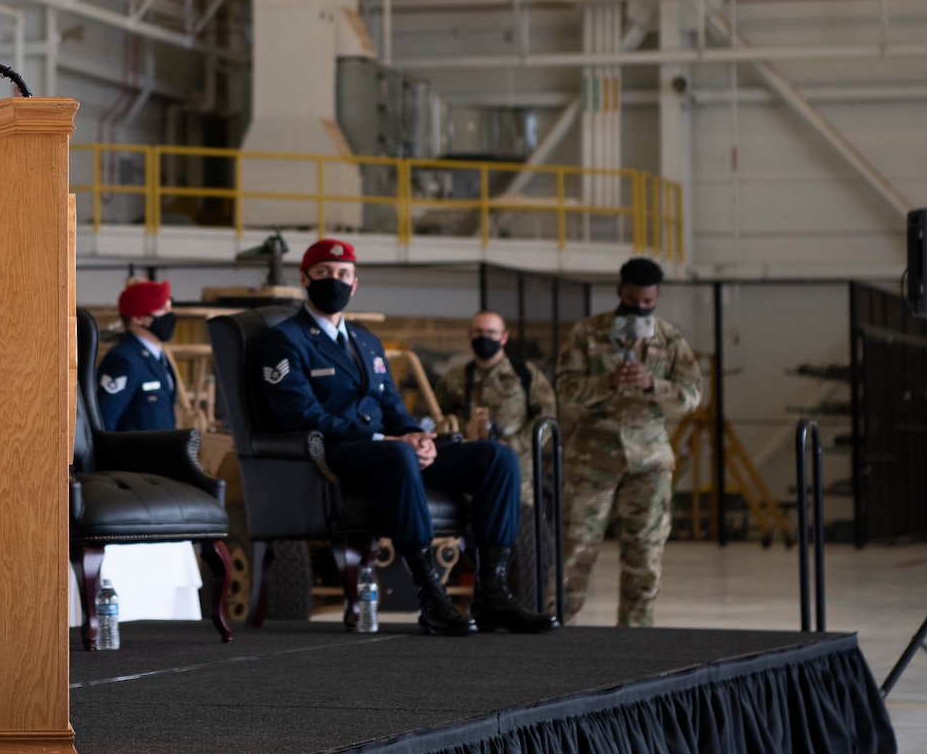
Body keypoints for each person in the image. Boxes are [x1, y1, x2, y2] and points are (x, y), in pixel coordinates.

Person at [255, 239, 554, 636]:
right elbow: (302, 415)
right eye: (325, 273)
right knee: (400, 457)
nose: (335, 281)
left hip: (389, 449)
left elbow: (393, 407)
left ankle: (492, 594)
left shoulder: (367, 342)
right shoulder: (284, 340)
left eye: (343, 275)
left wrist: (416, 434)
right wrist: (387, 440)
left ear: (355, 283)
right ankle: (431, 598)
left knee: (497, 458)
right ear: (305, 278)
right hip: (336, 453)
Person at [555, 256, 704, 628]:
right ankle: (555, 639)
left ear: (657, 298)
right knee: (574, 552)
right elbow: (565, 392)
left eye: (647, 303)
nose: (639, 307)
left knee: (645, 558)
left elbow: (692, 396)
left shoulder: (669, 338)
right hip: (592, 460)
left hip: (649, 463)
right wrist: (605, 383)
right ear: (620, 291)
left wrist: (652, 384)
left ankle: (635, 642)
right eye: (633, 300)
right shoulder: (587, 333)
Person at [434, 310, 558, 505]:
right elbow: (436, 417)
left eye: (491, 332)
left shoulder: (525, 374)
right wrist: (463, 429)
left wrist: (512, 445)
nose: (484, 338)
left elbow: (547, 417)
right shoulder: (455, 378)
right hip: (469, 469)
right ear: (469, 335)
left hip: (518, 473)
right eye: (478, 332)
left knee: (518, 527)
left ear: (504, 337)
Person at [97, 279, 179, 430]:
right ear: (138, 318)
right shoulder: (123, 359)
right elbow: (105, 422)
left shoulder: (157, 356)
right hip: (135, 453)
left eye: (170, 306)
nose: (170, 313)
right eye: (162, 308)